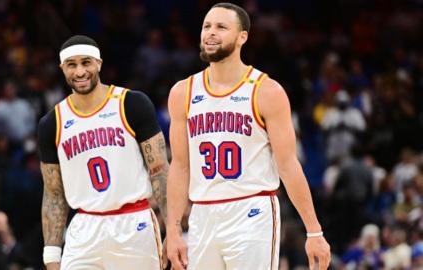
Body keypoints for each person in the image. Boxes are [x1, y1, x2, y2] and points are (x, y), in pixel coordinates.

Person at [166, 3, 331, 270]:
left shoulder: (267, 91)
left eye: (221, 27)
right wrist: (172, 230)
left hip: (252, 211)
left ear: (242, 36)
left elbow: (288, 165)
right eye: (206, 26)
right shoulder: (182, 92)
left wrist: (314, 231)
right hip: (202, 213)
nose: (210, 33)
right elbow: (180, 166)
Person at [37, 35, 168, 270]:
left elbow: (160, 171)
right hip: (83, 229)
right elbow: (54, 194)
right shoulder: (52, 123)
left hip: (133, 223)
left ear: (99, 63)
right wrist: (51, 255)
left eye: (86, 62)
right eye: (72, 64)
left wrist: (174, 230)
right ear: (62, 68)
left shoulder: (132, 104)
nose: (79, 72)